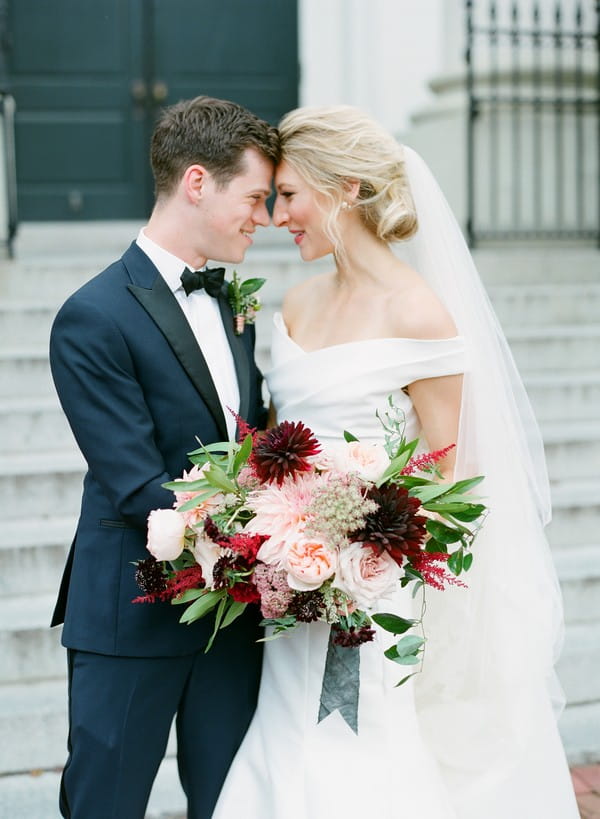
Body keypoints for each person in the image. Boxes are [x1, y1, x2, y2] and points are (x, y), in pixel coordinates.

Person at [212, 106, 579, 818]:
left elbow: (449, 479)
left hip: (370, 594)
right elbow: (272, 440)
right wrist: (266, 527)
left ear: (345, 188)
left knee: (361, 741)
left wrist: (353, 547)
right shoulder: (295, 302)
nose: (277, 214)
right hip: (286, 586)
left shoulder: (420, 312)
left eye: (289, 195)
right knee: (288, 735)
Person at [49, 95, 279, 819]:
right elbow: (135, 482)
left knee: (232, 803)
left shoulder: (234, 303)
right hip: (132, 615)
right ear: (199, 183)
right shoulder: (92, 316)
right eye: (255, 197)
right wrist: (281, 531)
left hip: (232, 620)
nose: (264, 217)